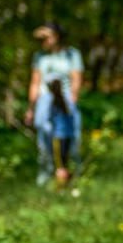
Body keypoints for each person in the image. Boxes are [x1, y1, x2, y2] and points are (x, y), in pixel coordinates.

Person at [25, 22, 84, 187]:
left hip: (65, 99)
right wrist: (31, 108)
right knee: (45, 136)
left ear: (57, 37)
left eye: (46, 37)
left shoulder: (72, 55)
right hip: (45, 100)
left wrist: (72, 100)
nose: (43, 42)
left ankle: (71, 173)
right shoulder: (39, 57)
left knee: (68, 137)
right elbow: (35, 83)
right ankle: (47, 173)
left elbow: (76, 80)